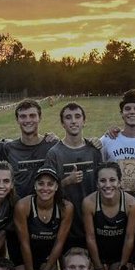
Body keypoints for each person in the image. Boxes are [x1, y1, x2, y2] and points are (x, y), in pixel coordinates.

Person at [45, 102, 102, 252]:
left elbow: (102, 184)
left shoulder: (94, 150)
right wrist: (67, 181)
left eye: (77, 116)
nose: (73, 121)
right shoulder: (54, 153)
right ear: (63, 123)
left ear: (84, 121)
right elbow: (46, 191)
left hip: (92, 222)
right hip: (65, 223)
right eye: (68, 117)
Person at [12, 166, 73, 270]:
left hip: (47, 253)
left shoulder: (66, 208)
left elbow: (60, 242)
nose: (45, 188)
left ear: (57, 187)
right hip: (24, 253)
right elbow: (24, 243)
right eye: (41, 184)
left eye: (50, 184)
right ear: (35, 185)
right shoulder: (23, 206)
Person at [82, 162, 135, 270]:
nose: (108, 185)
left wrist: (123, 267)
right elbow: (90, 237)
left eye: (112, 180)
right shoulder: (89, 203)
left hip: (120, 255)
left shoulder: (131, 204)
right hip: (98, 254)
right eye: (102, 180)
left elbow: (129, 238)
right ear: (97, 184)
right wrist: (98, 267)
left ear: (120, 182)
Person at [3, 99, 57, 199]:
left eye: (32, 115)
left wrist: (93, 141)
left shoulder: (52, 145)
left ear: (40, 118)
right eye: (23, 116)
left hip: (47, 207)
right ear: (17, 120)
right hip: (18, 208)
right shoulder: (8, 148)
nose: (28, 120)